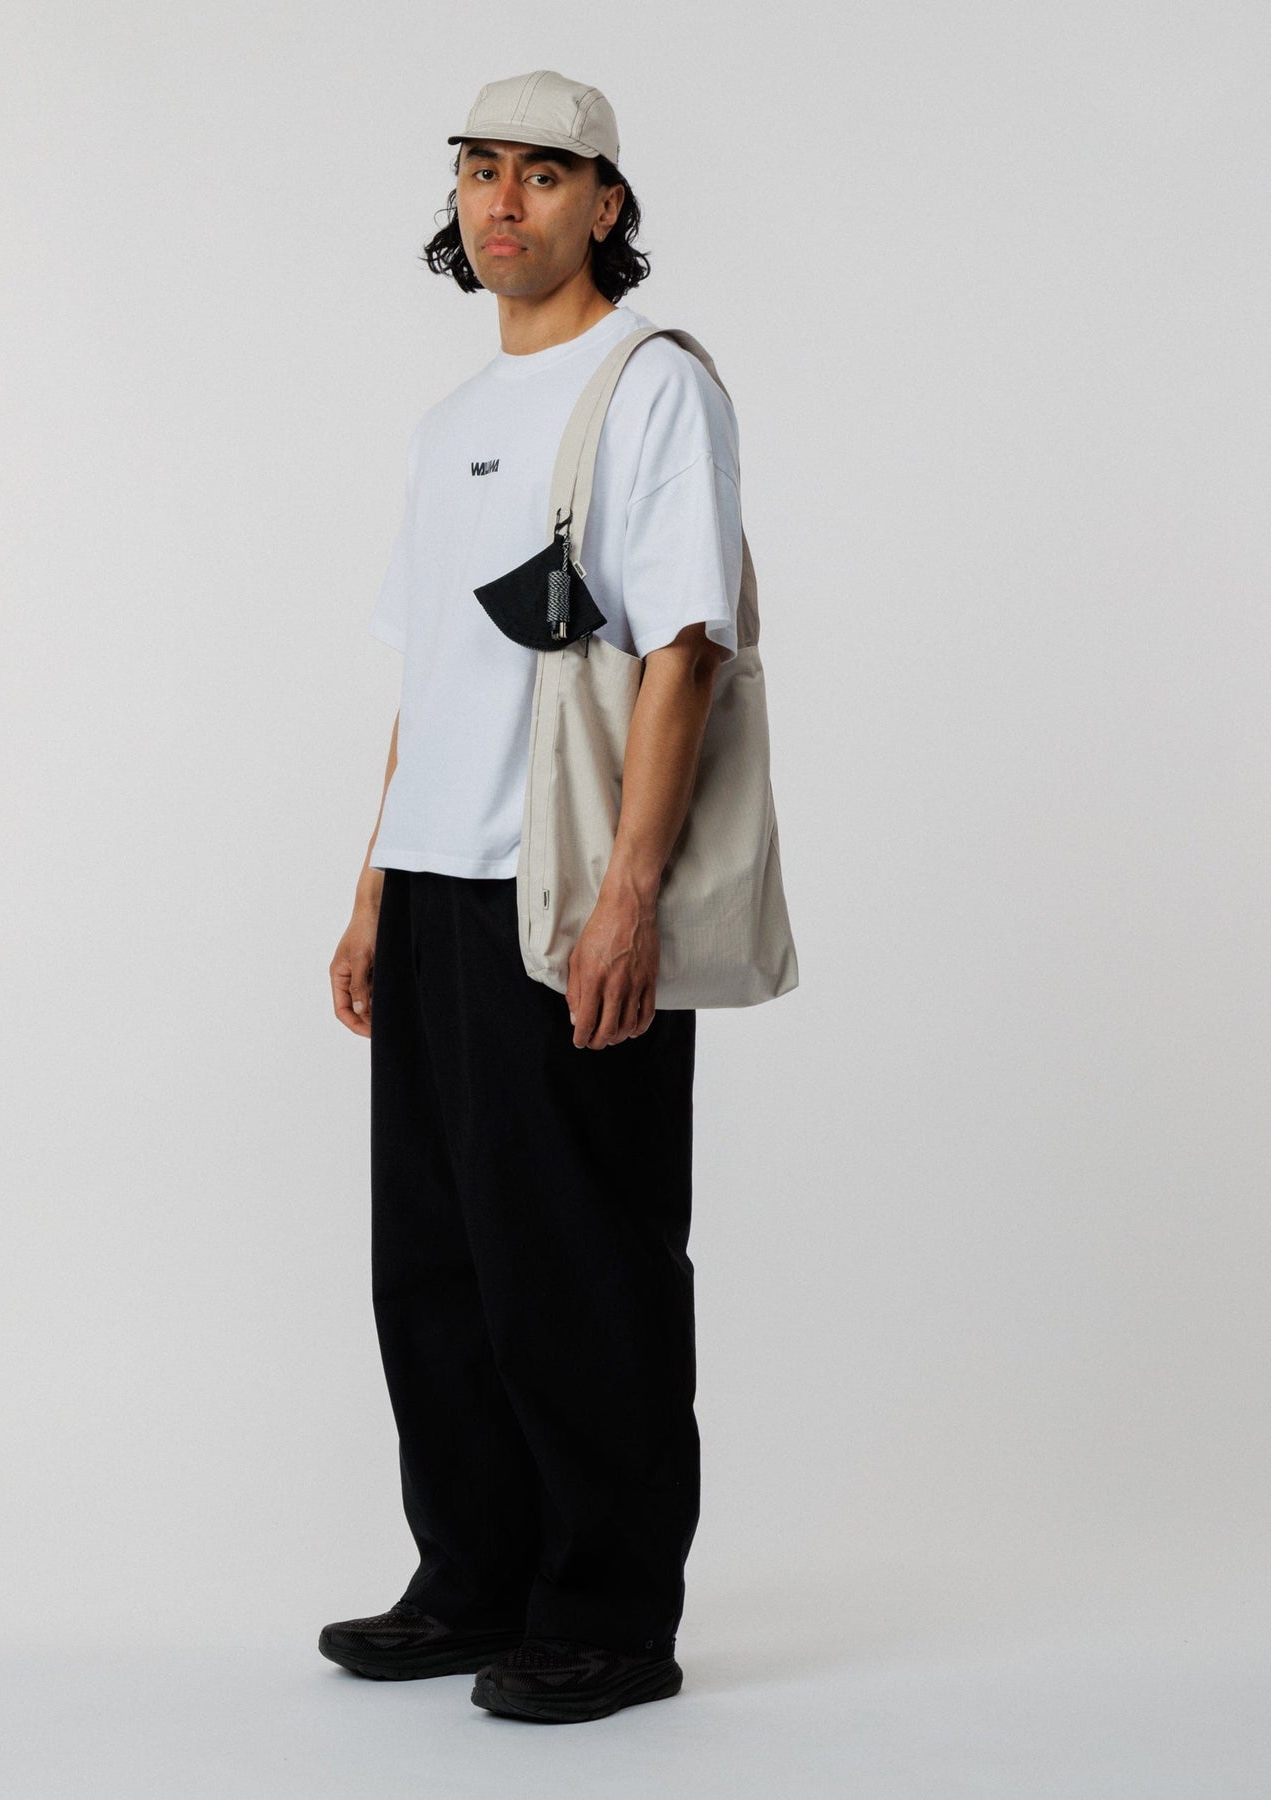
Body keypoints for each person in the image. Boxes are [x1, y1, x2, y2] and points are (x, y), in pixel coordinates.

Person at [321, 69, 745, 1726]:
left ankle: (609, 1614)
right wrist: (371, 889)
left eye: (545, 174)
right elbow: (427, 681)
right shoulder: (448, 425)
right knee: (435, 1263)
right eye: (482, 170)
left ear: (604, 204)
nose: (505, 201)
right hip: (437, 888)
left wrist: (630, 896)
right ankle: (474, 1579)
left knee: (584, 1259)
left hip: (559, 890)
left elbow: (684, 651)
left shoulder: (650, 387)